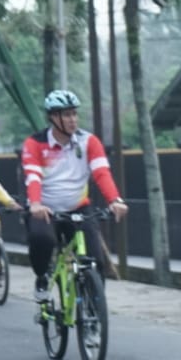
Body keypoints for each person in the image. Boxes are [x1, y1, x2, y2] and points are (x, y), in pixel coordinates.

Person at [20, 90, 128, 301]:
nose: (73, 120)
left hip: (78, 208)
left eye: (74, 114)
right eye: (67, 115)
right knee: (41, 240)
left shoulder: (89, 141)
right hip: (45, 209)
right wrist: (35, 204)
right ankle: (42, 276)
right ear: (53, 117)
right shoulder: (34, 143)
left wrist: (115, 200)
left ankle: (94, 312)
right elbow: (33, 177)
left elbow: (101, 173)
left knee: (96, 260)